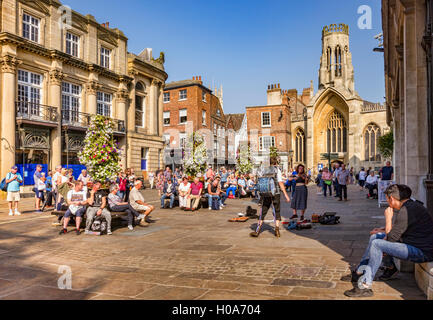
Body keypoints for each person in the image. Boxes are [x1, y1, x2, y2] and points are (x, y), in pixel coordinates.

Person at [343, 184, 433, 298]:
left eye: (387, 199)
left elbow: (390, 239)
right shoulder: (411, 206)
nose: (387, 202)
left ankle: (365, 285)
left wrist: (388, 219)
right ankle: (361, 272)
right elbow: (400, 229)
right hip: (413, 244)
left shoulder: (406, 210)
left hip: (421, 252)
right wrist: (383, 230)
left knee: (377, 245)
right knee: (375, 237)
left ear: (391, 198)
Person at [250, 155, 290, 238]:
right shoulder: (277, 170)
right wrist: (286, 195)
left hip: (265, 192)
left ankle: (257, 230)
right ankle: (277, 230)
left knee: (263, 211)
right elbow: (280, 183)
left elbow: (258, 180)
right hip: (276, 193)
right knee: (277, 210)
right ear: (275, 162)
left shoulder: (262, 169)